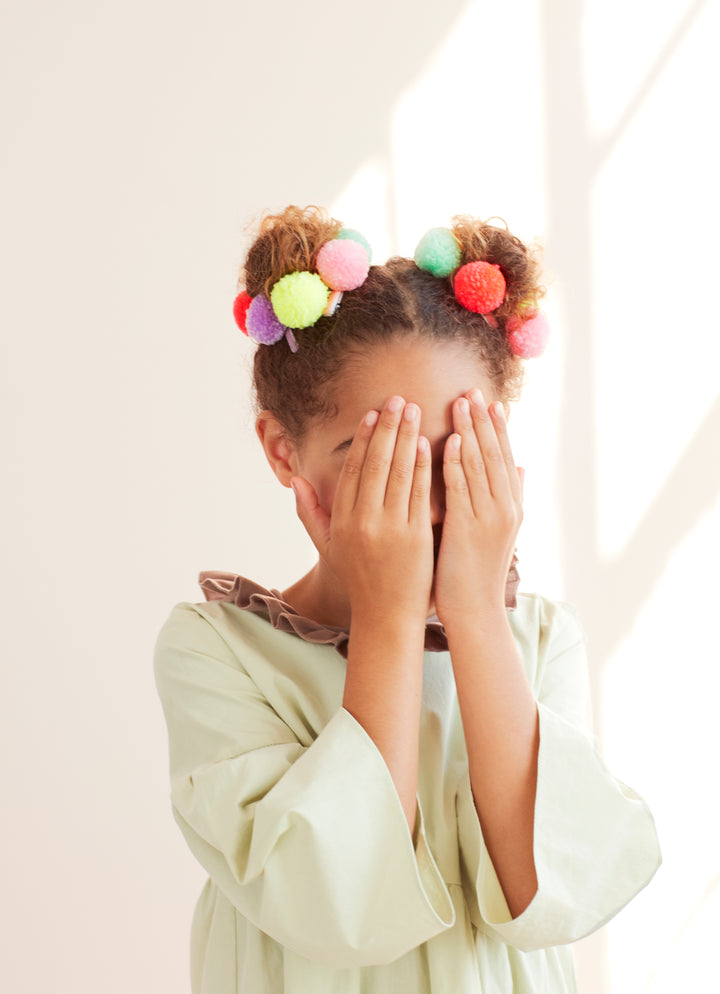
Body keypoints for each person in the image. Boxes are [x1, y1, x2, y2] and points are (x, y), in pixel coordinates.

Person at [154, 205, 661, 993]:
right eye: (380, 461)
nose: (424, 499)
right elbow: (331, 907)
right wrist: (390, 618)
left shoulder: (536, 638)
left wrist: (476, 613)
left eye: (459, 453)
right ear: (285, 452)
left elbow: (555, 892)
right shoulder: (217, 650)